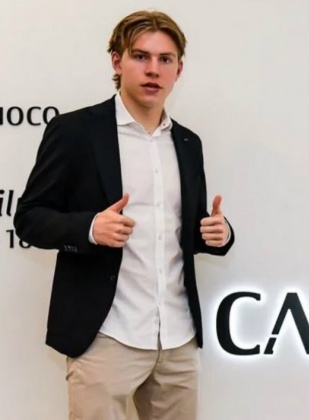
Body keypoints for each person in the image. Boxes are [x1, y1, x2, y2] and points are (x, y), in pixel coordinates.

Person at [14, 10, 233, 420]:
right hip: (105, 335)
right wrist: (89, 227)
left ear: (179, 69)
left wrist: (218, 233)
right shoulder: (75, 132)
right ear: (117, 61)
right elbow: (29, 217)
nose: (153, 69)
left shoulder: (188, 143)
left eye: (165, 59)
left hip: (177, 337)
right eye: (140, 56)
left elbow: (183, 227)